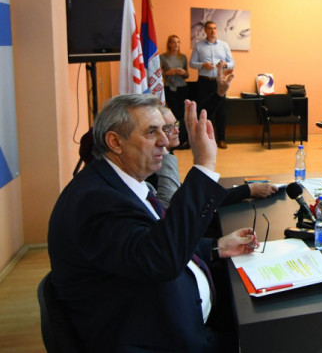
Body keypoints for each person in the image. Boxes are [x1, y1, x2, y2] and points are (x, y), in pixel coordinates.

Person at [48, 95, 257, 352]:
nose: (164, 141)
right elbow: (161, 260)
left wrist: (216, 246)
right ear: (115, 142)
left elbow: (150, 243)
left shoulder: (121, 184)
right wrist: (204, 166)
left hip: (178, 313)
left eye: (164, 130)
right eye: (151, 132)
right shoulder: (95, 200)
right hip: (161, 339)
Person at [189, 21, 234, 149]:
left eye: (215, 28)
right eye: (210, 28)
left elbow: (232, 63)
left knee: (221, 110)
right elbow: (192, 63)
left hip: (219, 82)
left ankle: (221, 139)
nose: (213, 31)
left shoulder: (224, 45)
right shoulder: (199, 45)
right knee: (204, 110)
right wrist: (203, 65)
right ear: (205, 30)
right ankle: (203, 139)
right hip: (203, 82)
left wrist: (225, 65)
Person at [160, 34, 189, 144]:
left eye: (178, 42)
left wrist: (183, 72)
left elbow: (187, 75)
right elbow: (158, 75)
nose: (176, 44)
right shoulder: (163, 57)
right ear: (169, 44)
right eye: (174, 42)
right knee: (174, 113)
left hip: (182, 88)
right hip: (170, 88)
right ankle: (174, 137)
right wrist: (168, 73)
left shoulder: (183, 57)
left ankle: (183, 137)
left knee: (182, 114)